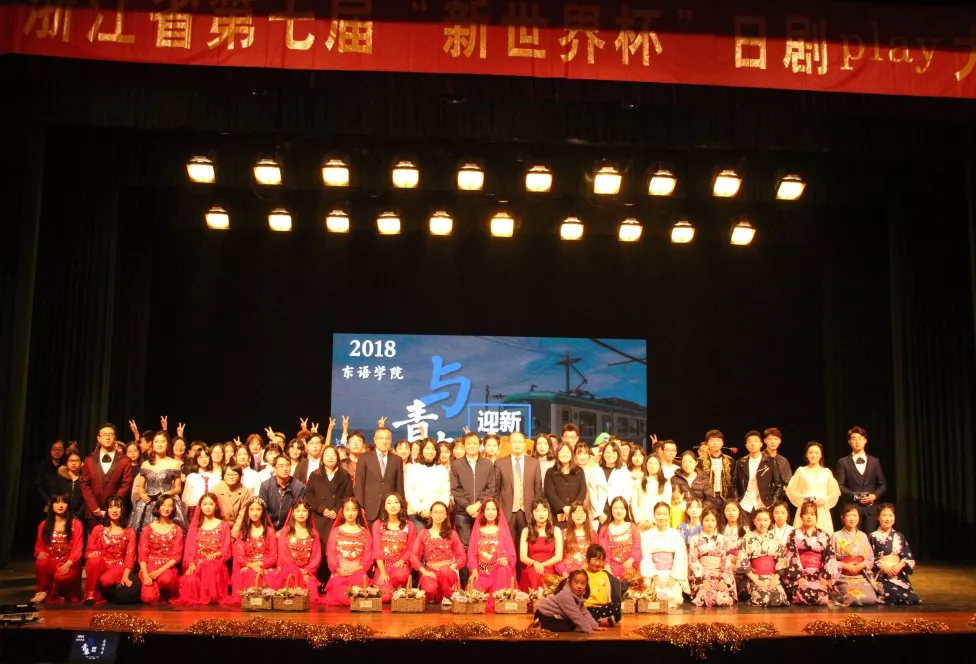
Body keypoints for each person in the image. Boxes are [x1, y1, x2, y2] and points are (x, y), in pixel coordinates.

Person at [173, 493, 231, 605]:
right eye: (204, 504)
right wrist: (191, 564)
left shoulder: (223, 525)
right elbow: (190, 548)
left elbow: (226, 548)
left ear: (216, 506)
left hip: (216, 564)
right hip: (197, 564)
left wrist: (217, 554)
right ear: (200, 507)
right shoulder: (196, 526)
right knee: (190, 580)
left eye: (211, 504)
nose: (208, 507)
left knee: (209, 566)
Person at [82, 495, 140, 605]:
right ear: (107, 510)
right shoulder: (98, 530)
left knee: (105, 580)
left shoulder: (129, 532)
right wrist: (92, 553)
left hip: (118, 567)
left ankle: (103, 590)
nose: (114, 510)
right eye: (111, 507)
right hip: (101, 565)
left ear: (122, 510)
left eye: (117, 507)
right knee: (93, 561)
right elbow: (88, 553)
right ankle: (91, 593)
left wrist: (125, 576)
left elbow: (130, 557)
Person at [265, 499, 322, 602]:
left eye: (304, 511)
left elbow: (316, 558)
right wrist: (297, 572)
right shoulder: (285, 531)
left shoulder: (313, 533)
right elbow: (284, 556)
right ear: (293, 513)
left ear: (309, 513)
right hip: (288, 572)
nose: (301, 514)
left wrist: (305, 571)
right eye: (298, 511)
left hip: (307, 573)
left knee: (311, 594)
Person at [223, 497, 277, 606]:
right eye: (252, 509)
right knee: (250, 574)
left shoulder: (270, 532)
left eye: (258, 509)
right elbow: (239, 556)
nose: (255, 513)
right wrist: (251, 565)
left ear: (263, 512)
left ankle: (264, 605)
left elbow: (273, 557)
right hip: (247, 566)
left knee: (270, 577)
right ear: (247, 512)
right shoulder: (242, 532)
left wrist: (258, 565)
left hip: (265, 567)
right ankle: (253, 604)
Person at [81, 424, 134, 533]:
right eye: (104, 435)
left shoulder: (125, 460)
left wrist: (113, 506)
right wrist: (94, 507)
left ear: (115, 438)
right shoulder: (88, 460)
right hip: (93, 512)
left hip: (116, 512)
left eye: (110, 435)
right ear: (98, 438)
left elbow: (126, 484)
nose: (107, 437)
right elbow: (84, 485)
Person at [129, 431, 186, 533]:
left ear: (167, 444)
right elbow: (141, 487)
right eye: (156, 442)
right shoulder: (145, 464)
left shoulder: (174, 464)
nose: (159, 444)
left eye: (163, 441)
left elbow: (178, 488)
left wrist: (169, 493)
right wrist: (142, 495)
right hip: (148, 503)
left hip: (167, 502)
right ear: (152, 444)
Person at [410, 501, 465, 605]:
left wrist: (452, 567)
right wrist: (424, 572)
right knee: (430, 588)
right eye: (435, 512)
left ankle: (447, 595)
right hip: (430, 571)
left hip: (447, 572)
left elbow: (462, 557)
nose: (438, 515)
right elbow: (414, 556)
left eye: (441, 512)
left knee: (444, 571)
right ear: (431, 514)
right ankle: (436, 596)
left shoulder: (451, 534)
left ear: (446, 515)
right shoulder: (423, 533)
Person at [320, 497, 373, 606]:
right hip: (340, 572)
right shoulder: (336, 531)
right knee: (341, 593)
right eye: (347, 510)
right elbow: (331, 554)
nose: (350, 513)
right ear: (342, 512)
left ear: (358, 512)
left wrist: (357, 568)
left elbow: (368, 556)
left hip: (358, 572)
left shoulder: (365, 533)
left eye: (354, 510)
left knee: (358, 584)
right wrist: (338, 569)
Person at [32, 494, 84, 604]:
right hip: (51, 561)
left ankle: (62, 593)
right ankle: (42, 591)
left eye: (64, 502)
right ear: (51, 505)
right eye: (57, 502)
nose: (60, 505)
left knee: (61, 578)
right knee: (41, 562)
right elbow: (39, 545)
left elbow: (78, 547)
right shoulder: (44, 525)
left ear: (68, 505)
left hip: (68, 562)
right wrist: (40, 552)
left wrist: (69, 562)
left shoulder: (76, 524)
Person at [449, 431, 496, 553]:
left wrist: (478, 504)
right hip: (462, 512)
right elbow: (455, 488)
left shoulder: (487, 464)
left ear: (480, 445)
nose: (472, 446)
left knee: (483, 545)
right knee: (465, 547)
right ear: (464, 445)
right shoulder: (456, 464)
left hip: (482, 511)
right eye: (469, 443)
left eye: (475, 443)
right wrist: (468, 506)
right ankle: (466, 567)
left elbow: (491, 488)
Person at [783, 502, 838, 605]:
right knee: (802, 592)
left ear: (816, 516)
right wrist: (798, 576)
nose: (809, 517)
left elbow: (829, 556)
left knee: (821, 594)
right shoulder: (794, 534)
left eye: (812, 514)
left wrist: (824, 576)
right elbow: (791, 554)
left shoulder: (824, 535)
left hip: (819, 575)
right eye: (806, 514)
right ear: (801, 516)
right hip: (801, 574)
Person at [835, 426, 888, 534]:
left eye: (860, 438)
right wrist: (856, 496)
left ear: (865, 441)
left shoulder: (874, 461)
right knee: (853, 539)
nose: (857, 441)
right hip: (852, 510)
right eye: (854, 439)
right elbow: (840, 486)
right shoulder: (843, 462)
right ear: (849, 442)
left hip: (871, 509)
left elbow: (883, 484)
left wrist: (874, 496)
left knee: (870, 539)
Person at [494, 431, 542, 549]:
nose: (517, 445)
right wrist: (498, 509)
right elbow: (496, 489)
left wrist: (536, 509)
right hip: (507, 510)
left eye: (520, 442)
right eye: (514, 442)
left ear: (525, 444)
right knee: (507, 544)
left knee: (526, 544)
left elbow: (537, 488)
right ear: (509, 444)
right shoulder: (500, 463)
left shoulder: (534, 462)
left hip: (528, 510)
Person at [639, 502, 688, 607]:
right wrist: (655, 577)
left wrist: (673, 578)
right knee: (656, 596)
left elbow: (680, 557)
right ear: (654, 515)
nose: (662, 517)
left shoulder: (675, 534)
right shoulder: (647, 535)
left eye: (665, 514)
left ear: (669, 515)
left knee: (675, 598)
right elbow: (645, 557)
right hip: (654, 574)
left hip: (671, 573)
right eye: (659, 514)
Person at [869, 503, 920, 605]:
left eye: (890, 515)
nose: (888, 519)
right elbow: (869, 558)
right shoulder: (872, 536)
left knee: (911, 598)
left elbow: (907, 557)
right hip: (881, 574)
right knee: (892, 595)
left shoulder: (899, 536)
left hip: (897, 573)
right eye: (884, 515)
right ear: (878, 517)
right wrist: (882, 566)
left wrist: (899, 565)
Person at [370, 493, 416, 603]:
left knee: (400, 576)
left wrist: (403, 560)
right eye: (389, 503)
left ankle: (399, 590)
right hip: (383, 567)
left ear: (401, 505)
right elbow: (377, 550)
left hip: (400, 566)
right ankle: (392, 590)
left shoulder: (409, 525)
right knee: (385, 597)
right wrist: (382, 572)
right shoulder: (378, 524)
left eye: (396, 502)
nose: (393, 505)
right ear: (385, 506)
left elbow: (411, 547)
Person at [785, 441, 841, 534]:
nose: (813, 455)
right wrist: (805, 499)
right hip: (805, 509)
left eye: (816, 453)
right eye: (810, 453)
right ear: (806, 455)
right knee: (802, 537)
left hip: (821, 509)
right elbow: (791, 491)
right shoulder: (801, 471)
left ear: (821, 455)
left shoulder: (827, 472)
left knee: (822, 536)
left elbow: (834, 493)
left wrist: (824, 500)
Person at [137, 495, 183, 604]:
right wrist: (145, 576)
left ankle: (163, 592)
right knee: (148, 598)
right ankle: (155, 593)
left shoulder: (177, 529)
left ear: (173, 509)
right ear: (158, 506)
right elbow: (142, 556)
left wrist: (159, 571)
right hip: (149, 567)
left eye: (170, 506)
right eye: (163, 505)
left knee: (166, 579)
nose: (166, 508)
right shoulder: (147, 529)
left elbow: (176, 557)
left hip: (167, 568)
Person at [739, 508, 789, 607]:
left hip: (772, 576)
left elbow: (781, 559)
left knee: (780, 598)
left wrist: (775, 578)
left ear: (770, 521)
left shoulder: (774, 538)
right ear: (754, 521)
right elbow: (743, 560)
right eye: (759, 520)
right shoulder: (747, 537)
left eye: (765, 520)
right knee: (762, 597)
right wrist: (755, 580)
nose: (762, 523)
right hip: (754, 576)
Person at [466, 498, 516, 598]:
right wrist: (474, 569)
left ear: (498, 512)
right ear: (483, 512)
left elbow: (511, 553)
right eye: (487, 509)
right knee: (475, 594)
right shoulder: (478, 530)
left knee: (503, 570)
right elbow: (471, 553)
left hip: (498, 571)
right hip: (481, 572)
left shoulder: (502, 531)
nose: (490, 512)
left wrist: (506, 558)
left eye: (493, 509)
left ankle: (499, 599)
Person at [355, 427, 404, 526]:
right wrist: (360, 506)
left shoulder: (397, 460)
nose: (384, 442)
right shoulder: (364, 457)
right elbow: (359, 484)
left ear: (391, 440)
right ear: (375, 440)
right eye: (381, 438)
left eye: (387, 438)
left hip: (390, 509)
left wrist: (400, 507)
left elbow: (399, 486)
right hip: (369, 508)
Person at [532, 569, 607, 634]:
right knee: (567, 626)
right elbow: (575, 614)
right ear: (569, 583)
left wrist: (594, 626)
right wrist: (588, 629)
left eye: (583, 583)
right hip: (544, 614)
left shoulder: (578, 595)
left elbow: (584, 612)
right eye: (576, 583)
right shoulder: (565, 594)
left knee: (572, 624)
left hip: (555, 615)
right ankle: (540, 624)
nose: (579, 586)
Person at [688, 507, 736, 607]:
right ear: (701, 521)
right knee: (705, 595)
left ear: (717, 522)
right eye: (706, 520)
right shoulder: (695, 539)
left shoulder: (723, 539)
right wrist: (703, 580)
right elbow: (694, 561)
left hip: (720, 575)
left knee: (724, 597)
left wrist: (722, 580)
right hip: (702, 574)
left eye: (713, 520)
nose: (710, 523)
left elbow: (726, 560)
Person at [832, 503, 879, 606]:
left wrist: (861, 565)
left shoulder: (863, 536)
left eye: (855, 515)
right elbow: (830, 560)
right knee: (854, 599)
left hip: (860, 575)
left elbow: (870, 558)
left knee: (871, 599)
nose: (852, 518)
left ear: (858, 517)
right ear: (842, 518)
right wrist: (845, 566)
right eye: (849, 515)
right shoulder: (836, 536)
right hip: (843, 575)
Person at [404, 438, 450, 531]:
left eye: (433, 449)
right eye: (427, 448)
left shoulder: (442, 470)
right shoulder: (413, 469)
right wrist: (420, 510)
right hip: (416, 514)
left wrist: (438, 511)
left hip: (437, 515)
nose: (430, 451)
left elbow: (445, 493)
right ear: (422, 450)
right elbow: (409, 492)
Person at [519, 498, 564, 591]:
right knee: (533, 573)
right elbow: (523, 557)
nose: (541, 514)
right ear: (532, 513)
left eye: (544, 510)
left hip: (549, 566)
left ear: (548, 512)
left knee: (543, 575)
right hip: (532, 566)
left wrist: (542, 565)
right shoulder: (526, 531)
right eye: (537, 511)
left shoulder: (556, 530)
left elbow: (558, 556)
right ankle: (532, 598)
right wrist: (535, 563)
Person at [732, 431, 775, 520]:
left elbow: (778, 484)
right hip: (745, 504)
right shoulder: (741, 462)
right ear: (746, 446)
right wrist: (737, 500)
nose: (753, 444)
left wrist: (773, 502)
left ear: (761, 444)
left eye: (756, 441)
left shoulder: (770, 461)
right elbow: (735, 484)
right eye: (749, 442)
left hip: (764, 504)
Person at [544, 443, 586, 529]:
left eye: (567, 452)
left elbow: (582, 491)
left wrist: (572, 508)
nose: (564, 454)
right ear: (557, 454)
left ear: (571, 454)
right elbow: (550, 493)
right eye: (562, 452)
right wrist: (563, 507)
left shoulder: (579, 471)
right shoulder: (550, 472)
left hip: (576, 513)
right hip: (557, 514)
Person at [259, 455, 306, 531]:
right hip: (268, 527)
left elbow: (298, 511)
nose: (285, 469)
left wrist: (286, 530)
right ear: (274, 468)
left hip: (290, 528)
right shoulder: (266, 486)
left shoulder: (299, 487)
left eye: (287, 465)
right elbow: (263, 511)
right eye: (281, 466)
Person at [598, 497, 641, 578]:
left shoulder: (633, 527)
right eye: (616, 508)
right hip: (610, 569)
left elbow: (637, 547)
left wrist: (632, 559)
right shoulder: (605, 529)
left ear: (626, 510)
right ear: (611, 510)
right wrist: (608, 570)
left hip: (630, 568)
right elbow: (603, 552)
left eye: (622, 508)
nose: (619, 511)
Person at [582, 544, 623, 625]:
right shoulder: (582, 574)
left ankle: (596, 620)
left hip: (601, 608)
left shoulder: (604, 575)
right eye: (595, 560)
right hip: (586, 608)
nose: (597, 563)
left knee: (616, 607)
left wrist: (610, 604)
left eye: (601, 561)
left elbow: (608, 594)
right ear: (587, 559)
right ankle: (599, 621)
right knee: (580, 612)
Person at [631, 455, 671, 530]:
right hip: (641, 523)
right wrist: (639, 520)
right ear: (646, 464)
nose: (653, 466)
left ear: (659, 466)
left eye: (655, 463)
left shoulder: (665, 483)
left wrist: (653, 521)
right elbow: (634, 503)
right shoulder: (639, 481)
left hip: (658, 522)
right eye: (650, 463)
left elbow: (666, 503)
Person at [556, 502, 595, 575]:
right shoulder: (563, 533)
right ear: (570, 515)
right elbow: (557, 558)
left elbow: (596, 556)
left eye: (582, 513)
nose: (579, 516)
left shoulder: (592, 534)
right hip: (567, 572)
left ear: (586, 515)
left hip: (587, 572)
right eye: (576, 512)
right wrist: (564, 573)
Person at [575, 443, 608, 530]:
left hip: (592, 507)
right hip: (576, 507)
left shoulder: (596, 470)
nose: (582, 457)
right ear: (574, 455)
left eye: (585, 453)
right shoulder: (572, 470)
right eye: (579, 453)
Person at [698, 429, 733, 508]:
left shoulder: (730, 460)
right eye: (712, 440)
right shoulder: (700, 461)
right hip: (707, 499)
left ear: (722, 443)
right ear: (707, 443)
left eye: (718, 440)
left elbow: (733, 482)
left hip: (725, 499)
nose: (715, 443)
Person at [212, 465, 252, 534]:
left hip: (238, 528)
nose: (231, 477)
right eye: (228, 474)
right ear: (223, 476)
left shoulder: (245, 491)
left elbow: (242, 514)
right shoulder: (215, 490)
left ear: (240, 476)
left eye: (235, 474)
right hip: (220, 528)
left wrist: (235, 531)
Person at [53, 451, 85, 523]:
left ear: (81, 463)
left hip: (79, 518)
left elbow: (85, 501)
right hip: (61, 516)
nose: (74, 463)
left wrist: (78, 516)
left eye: (77, 461)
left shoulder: (84, 480)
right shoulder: (60, 479)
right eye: (71, 461)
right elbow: (55, 497)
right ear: (66, 464)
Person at [763, 428, 792, 502]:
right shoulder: (759, 458)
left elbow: (788, 482)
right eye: (770, 439)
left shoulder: (783, 461)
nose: (773, 442)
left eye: (775, 439)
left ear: (779, 441)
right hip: (761, 496)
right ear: (765, 441)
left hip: (779, 499)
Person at [35, 440, 65, 509]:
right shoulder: (43, 466)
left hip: (61, 504)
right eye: (55, 449)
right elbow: (38, 485)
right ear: (50, 450)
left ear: (63, 451)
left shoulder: (65, 467)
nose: (57, 451)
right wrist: (47, 500)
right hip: (44, 503)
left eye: (60, 449)